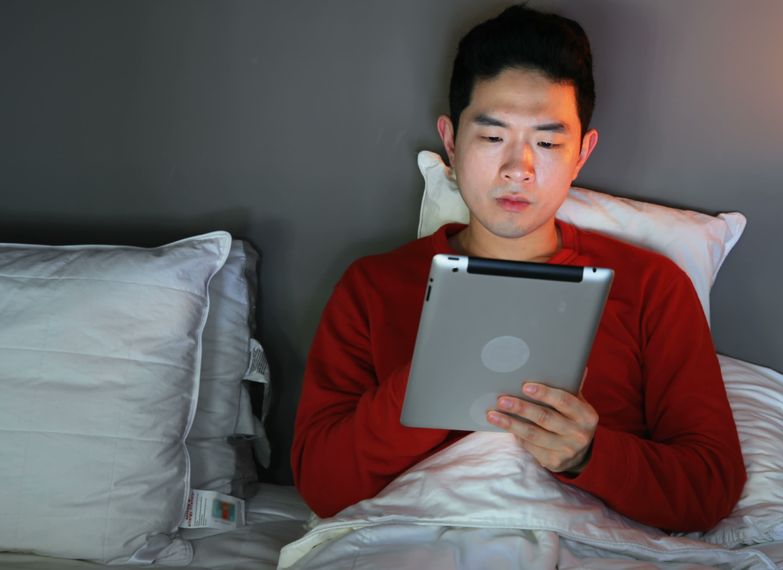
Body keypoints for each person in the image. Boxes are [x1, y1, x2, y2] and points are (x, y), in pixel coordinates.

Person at [291, 4, 745, 533]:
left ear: (581, 154)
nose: (518, 169)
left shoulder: (651, 287)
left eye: (548, 143)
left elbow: (709, 489)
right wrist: (423, 386)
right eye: (491, 137)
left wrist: (588, 454)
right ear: (450, 141)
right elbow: (323, 487)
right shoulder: (372, 286)